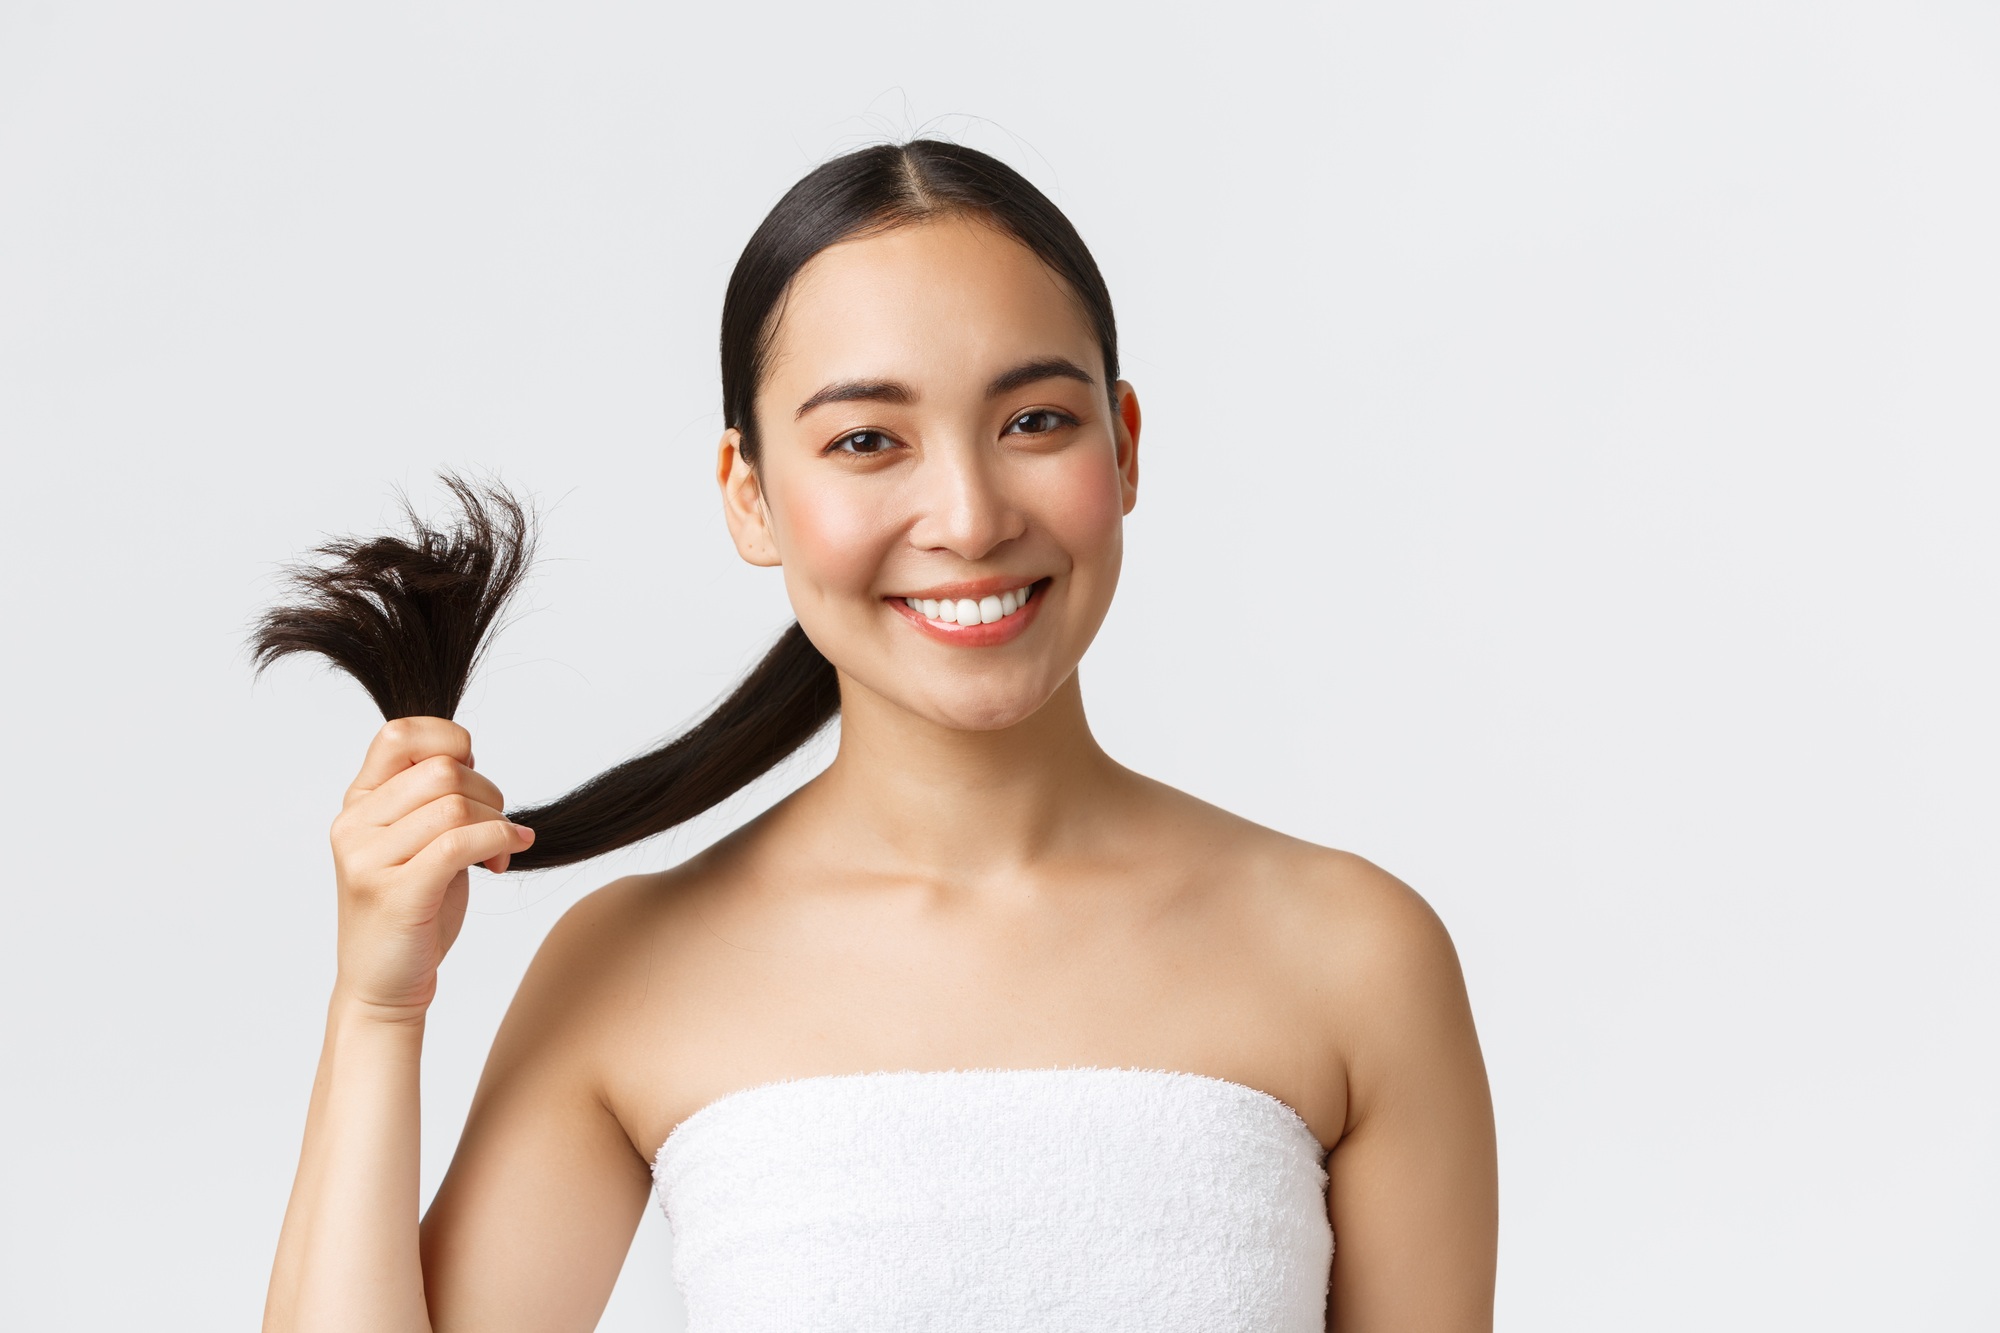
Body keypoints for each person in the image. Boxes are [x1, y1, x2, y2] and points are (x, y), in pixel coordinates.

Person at [261, 139, 1498, 1333]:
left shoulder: (1354, 956)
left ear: (1123, 443)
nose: (965, 516)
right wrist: (379, 1009)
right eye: (866, 441)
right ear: (749, 495)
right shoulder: (633, 969)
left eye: (1033, 422)